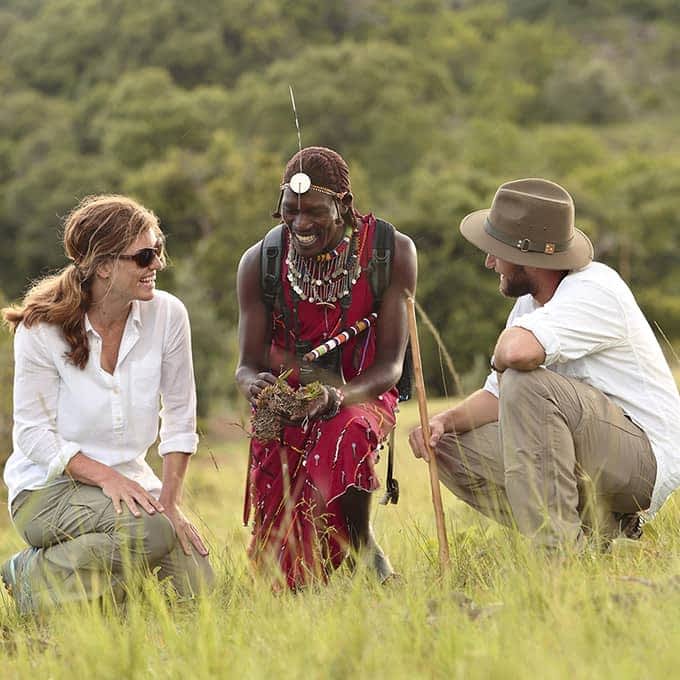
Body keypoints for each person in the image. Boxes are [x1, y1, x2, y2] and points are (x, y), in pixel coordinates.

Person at [409, 178, 680, 549]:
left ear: (528, 256)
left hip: (643, 464)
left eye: (496, 251)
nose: (489, 262)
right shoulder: (529, 304)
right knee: (448, 444)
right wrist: (440, 422)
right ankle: (594, 536)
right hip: (593, 453)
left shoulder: (596, 288)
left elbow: (517, 355)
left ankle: (558, 554)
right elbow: (497, 396)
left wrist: (505, 350)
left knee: (525, 382)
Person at [1, 194, 213, 613]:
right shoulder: (41, 328)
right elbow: (32, 434)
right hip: (46, 490)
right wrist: (106, 478)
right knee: (151, 533)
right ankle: (31, 574)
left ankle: (83, 602)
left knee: (196, 586)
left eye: (158, 251)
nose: (158, 264)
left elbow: (180, 417)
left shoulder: (168, 315)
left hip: (131, 484)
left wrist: (169, 504)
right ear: (103, 266)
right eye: (145, 255)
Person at [236, 146, 417, 589]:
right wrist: (254, 386)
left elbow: (391, 366)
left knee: (347, 431)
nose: (300, 224)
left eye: (314, 211)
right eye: (290, 212)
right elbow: (246, 365)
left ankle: (361, 548)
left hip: (364, 391)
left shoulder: (390, 253)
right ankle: (303, 575)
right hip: (291, 399)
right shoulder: (259, 261)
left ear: (344, 205)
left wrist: (339, 396)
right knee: (283, 577)